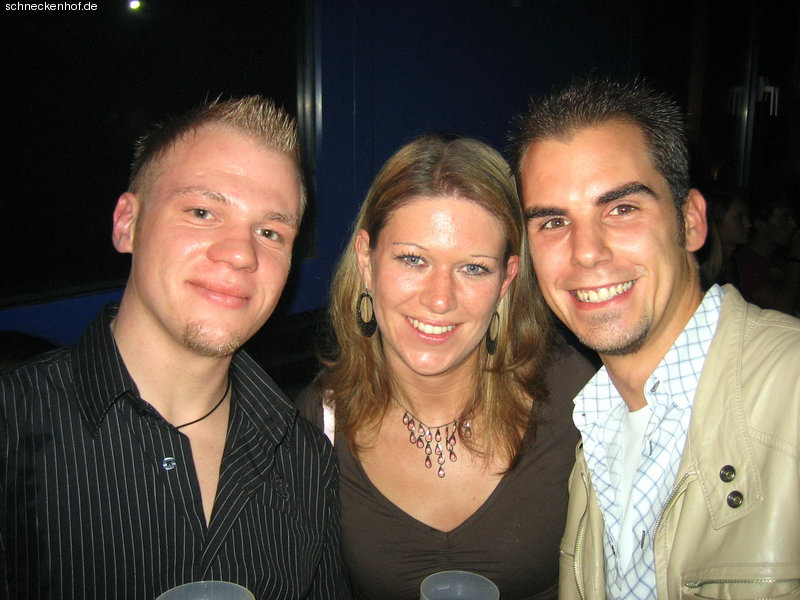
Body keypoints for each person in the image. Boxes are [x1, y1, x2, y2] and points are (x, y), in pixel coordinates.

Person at [1, 97, 351, 599]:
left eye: (270, 231)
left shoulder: (307, 458)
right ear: (128, 223)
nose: (241, 253)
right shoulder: (12, 430)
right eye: (203, 212)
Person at [511, 77, 800, 600]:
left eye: (621, 208)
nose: (586, 252)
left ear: (690, 222)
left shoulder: (792, 391)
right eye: (553, 221)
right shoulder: (595, 422)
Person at [296, 134, 596, 600]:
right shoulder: (316, 425)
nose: (439, 300)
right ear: (367, 261)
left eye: (473, 268)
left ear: (506, 280)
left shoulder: (578, 401)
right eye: (413, 259)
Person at [736, 189, 800, 315]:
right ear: (761, 224)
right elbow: (782, 310)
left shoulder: (779, 258)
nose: (793, 225)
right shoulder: (747, 263)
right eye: (784, 218)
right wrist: (796, 259)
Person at [697, 187, 751, 288]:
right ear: (717, 222)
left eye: (747, 217)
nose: (748, 224)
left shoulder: (736, 265)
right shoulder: (703, 271)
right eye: (738, 219)